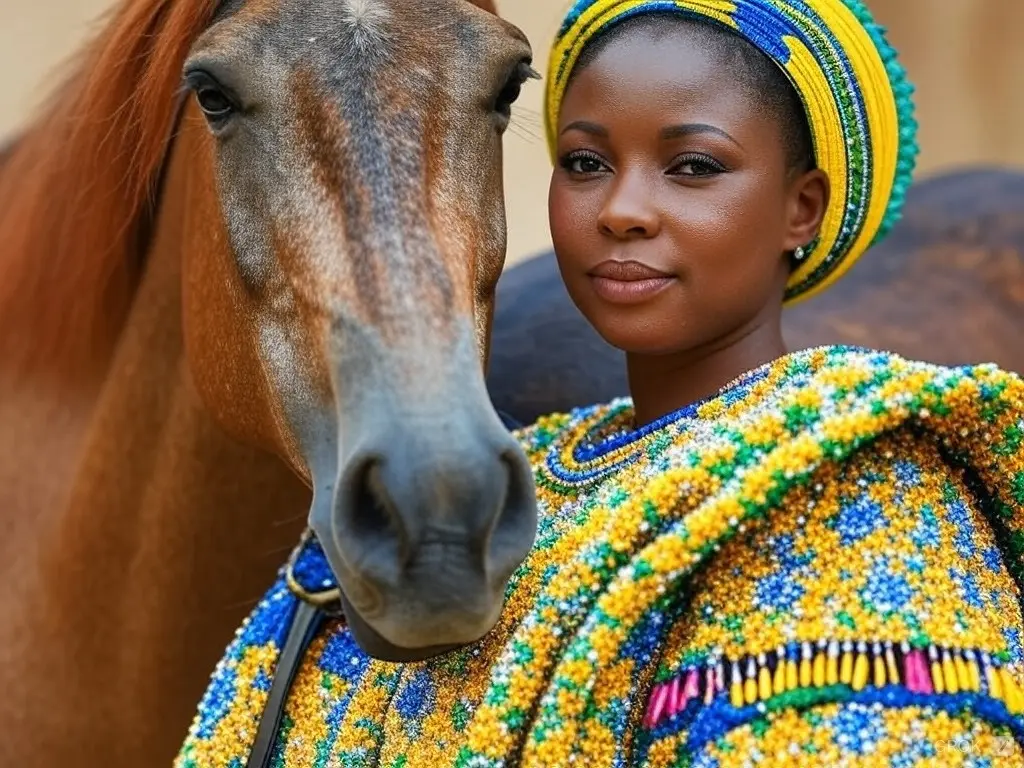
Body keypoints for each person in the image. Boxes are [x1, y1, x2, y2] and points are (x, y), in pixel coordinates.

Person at [177, 1, 1024, 766]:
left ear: (800, 210)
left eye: (692, 167)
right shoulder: (533, 472)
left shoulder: (863, 525)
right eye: (584, 163)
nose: (621, 209)